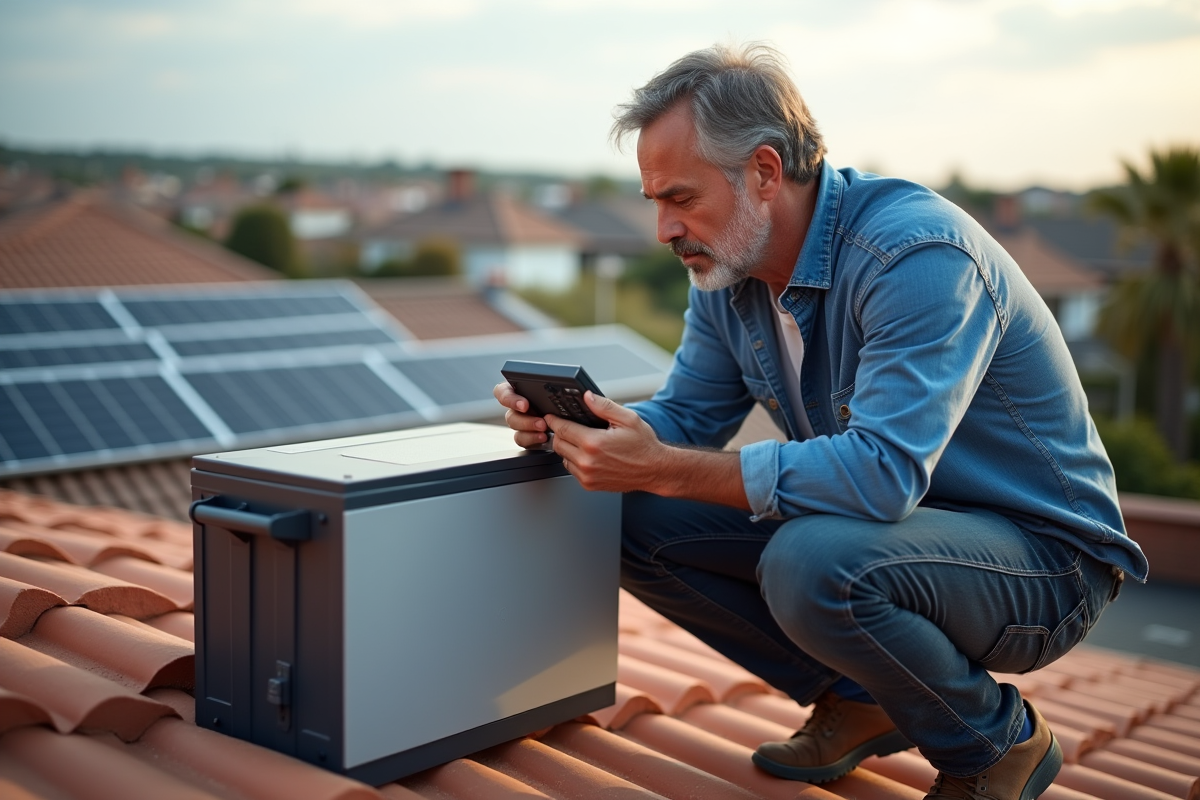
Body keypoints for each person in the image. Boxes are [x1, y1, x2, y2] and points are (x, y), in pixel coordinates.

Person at [493, 43, 1146, 800]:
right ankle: (864, 698)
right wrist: (591, 431)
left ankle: (995, 743)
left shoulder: (917, 256)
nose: (665, 229)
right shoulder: (728, 272)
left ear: (765, 172)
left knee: (811, 560)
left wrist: (666, 465)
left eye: (681, 198)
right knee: (619, 510)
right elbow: (689, 418)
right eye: (655, 204)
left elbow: (879, 477)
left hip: (1043, 562)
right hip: (891, 537)